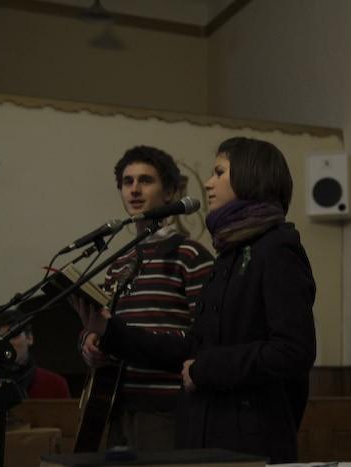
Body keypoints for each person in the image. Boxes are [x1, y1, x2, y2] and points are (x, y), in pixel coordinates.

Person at [78, 137, 317, 463]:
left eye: (219, 172)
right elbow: (195, 346)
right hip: (203, 427)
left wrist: (205, 369)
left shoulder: (275, 249)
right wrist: (110, 333)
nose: (207, 183)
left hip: (245, 437)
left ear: (249, 176)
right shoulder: (230, 252)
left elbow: (293, 351)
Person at [76, 146, 214, 451]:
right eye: (128, 182)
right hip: (114, 403)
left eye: (146, 180)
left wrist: (124, 338)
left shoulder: (189, 254)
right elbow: (101, 322)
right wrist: (89, 343)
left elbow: (204, 338)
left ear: (170, 193)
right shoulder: (118, 262)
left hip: (165, 408)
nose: (134, 189)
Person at [0, 308, 71, 399]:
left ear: (29, 338)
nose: (8, 344)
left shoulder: (56, 384)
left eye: (14, 335)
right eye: (0, 339)